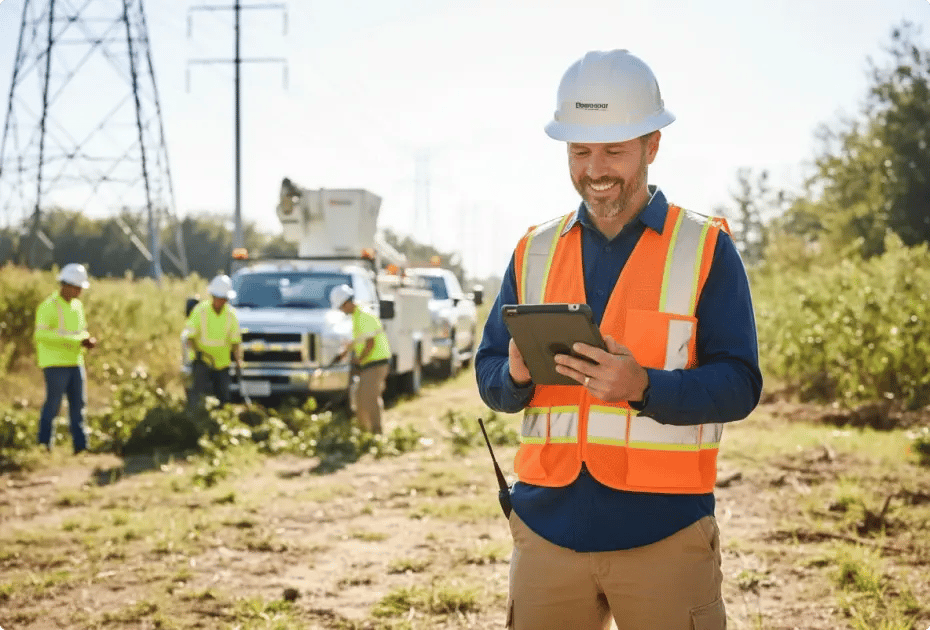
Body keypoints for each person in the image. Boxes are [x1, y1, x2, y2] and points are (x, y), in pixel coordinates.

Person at [474, 49, 763, 630]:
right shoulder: (533, 249)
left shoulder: (706, 248)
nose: (594, 168)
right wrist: (516, 379)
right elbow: (489, 375)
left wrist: (644, 386)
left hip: (664, 537)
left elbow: (740, 385)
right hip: (547, 532)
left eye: (614, 150)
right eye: (580, 150)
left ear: (652, 146)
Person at [34, 263, 97, 454]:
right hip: (54, 364)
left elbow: (80, 331)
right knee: (53, 405)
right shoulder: (48, 306)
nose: (80, 292)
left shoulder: (77, 306)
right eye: (77, 287)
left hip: (75, 362)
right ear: (66, 285)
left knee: (79, 405)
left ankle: (81, 446)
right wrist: (76, 341)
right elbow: (41, 335)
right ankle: (44, 445)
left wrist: (86, 339)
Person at [330, 284, 391, 434]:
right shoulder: (357, 316)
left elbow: (370, 343)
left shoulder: (363, 315)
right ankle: (364, 431)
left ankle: (376, 433)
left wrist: (358, 359)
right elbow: (360, 340)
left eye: (341, 307)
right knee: (360, 398)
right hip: (370, 363)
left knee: (368, 398)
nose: (341, 311)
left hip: (376, 362)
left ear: (347, 303)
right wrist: (345, 353)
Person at [184, 274, 242, 410]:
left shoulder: (231, 315)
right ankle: (193, 418)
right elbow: (189, 336)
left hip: (222, 363)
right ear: (213, 296)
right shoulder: (200, 311)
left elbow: (235, 341)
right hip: (202, 361)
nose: (221, 301)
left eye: (223, 299)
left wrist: (238, 361)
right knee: (197, 395)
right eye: (219, 298)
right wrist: (195, 353)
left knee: (223, 397)